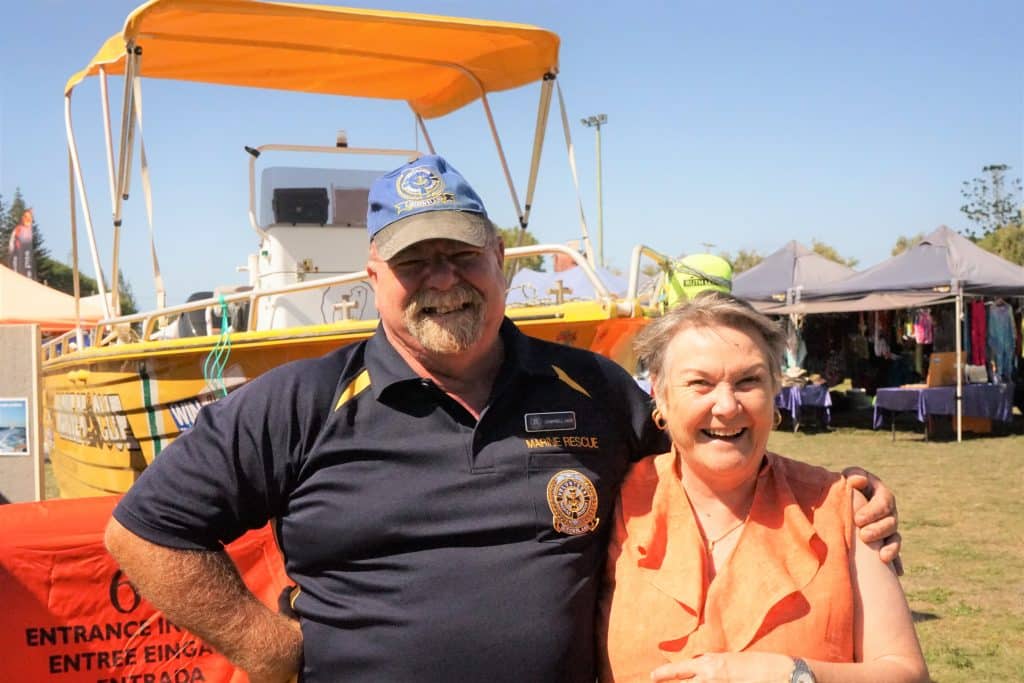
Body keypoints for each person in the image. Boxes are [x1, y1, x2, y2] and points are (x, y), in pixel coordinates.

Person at [105, 155, 901, 683]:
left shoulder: (591, 385)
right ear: (374, 275)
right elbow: (143, 529)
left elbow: (712, 455)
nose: (443, 280)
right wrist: (265, 644)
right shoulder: (301, 402)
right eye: (415, 261)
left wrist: (844, 493)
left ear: (501, 264)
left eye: (463, 255)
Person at [598, 292, 927, 683]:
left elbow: (907, 673)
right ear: (661, 396)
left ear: (774, 391)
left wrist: (792, 674)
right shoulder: (614, 501)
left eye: (748, 381)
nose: (726, 405)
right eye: (700, 383)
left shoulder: (843, 510)